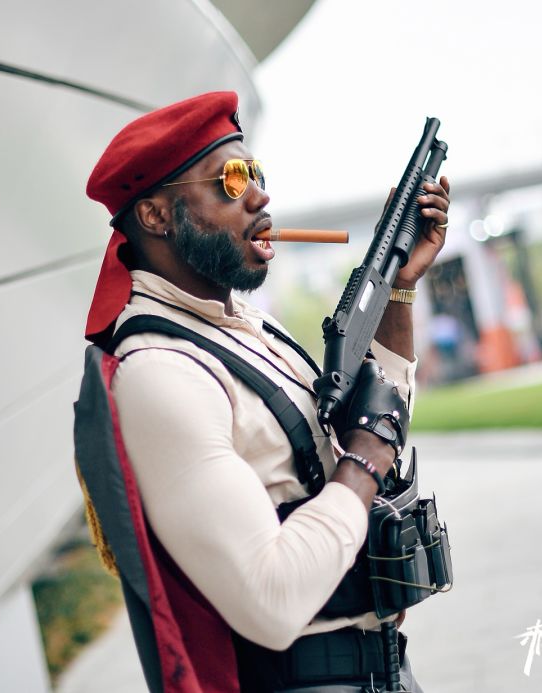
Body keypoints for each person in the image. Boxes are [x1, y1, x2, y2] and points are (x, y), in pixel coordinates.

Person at [77, 91, 450, 692]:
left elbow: (373, 421)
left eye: (256, 174)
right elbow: (271, 603)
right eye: (230, 180)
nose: (258, 196)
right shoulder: (162, 372)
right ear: (156, 216)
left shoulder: (247, 327)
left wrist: (399, 289)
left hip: (382, 669)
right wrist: (365, 459)